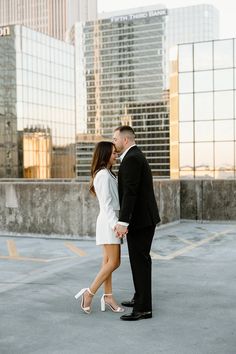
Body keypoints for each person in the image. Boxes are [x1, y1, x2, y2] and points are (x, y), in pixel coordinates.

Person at [113, 125, 160, 321]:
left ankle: (143, 309)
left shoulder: (132, 159)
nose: (113, 143)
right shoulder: (135, 156)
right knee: (140, 261)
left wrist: (123, 221)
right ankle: (139, 297)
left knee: (139, 262)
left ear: (125, 140)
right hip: (144, 219)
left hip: (140, 221)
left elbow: (130, 193)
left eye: (115, 139)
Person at [74, 141, 124, 314]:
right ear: (104, 155)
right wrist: (115, 225)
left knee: (108, 262)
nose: (115, 156)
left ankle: (108, 296)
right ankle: (89, 293)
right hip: (109, 221)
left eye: (116, 153)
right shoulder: (102, 175)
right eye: (112, 153)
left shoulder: (108, 173)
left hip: (111, 220)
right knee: (115, 262)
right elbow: (107, 204)